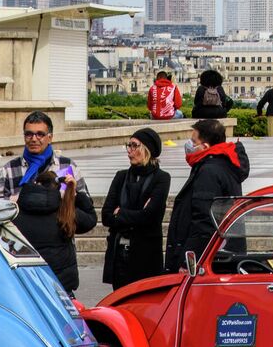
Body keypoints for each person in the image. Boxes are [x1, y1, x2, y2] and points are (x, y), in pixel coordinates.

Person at [165, 118, 251, 272]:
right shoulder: (225, 164)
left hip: (209, 260)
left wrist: (188, 261)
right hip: (224, 254)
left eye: (193, 141)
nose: (189, 146)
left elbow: (204, 221)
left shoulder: (209, 171)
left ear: (205, 146)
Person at [14, 160, 98, 294]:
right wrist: (75, 193)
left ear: (36, 184)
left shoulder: (17, 212)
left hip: (28, 284)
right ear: (57, 187)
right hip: (61, 285)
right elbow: (91, 219)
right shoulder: (64, 213)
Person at [102, 127, 170, 288]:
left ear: (147, 149)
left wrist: (121, 213)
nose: (129, 151)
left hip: (146, 256)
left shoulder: (161, 178)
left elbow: (151, 216)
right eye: (129, 145)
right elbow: (106, 216)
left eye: (134, 146)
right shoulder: (121, 177)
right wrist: (137, 214)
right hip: (120, 254)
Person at [0, 111, 74, 204]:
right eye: (29, 134)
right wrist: (18, 199)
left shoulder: (67, 166)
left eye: (40, 134)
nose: (34, 139)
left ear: (50, 137)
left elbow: (84, 202)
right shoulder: (10, 169)